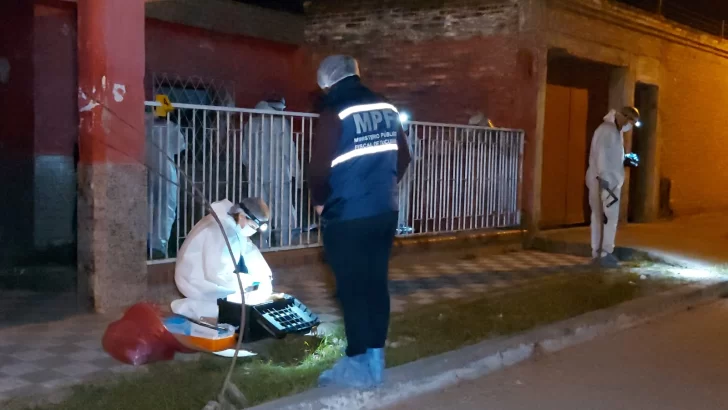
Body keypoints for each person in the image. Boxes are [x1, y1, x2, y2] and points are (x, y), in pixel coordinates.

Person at [309, 55, 412, 389]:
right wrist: (380, 187)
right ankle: (376, 360)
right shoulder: (386, 107)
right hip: (384, 211)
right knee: (375, 283)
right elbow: (404, 157)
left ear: (327, 81)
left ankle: (356, 362)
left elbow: (319, 169)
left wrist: (320, 202)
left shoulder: (334, 111)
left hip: (347, 214)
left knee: (351, 289)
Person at [170, 197, 273, 320]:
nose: (253, 231)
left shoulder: (231, 223)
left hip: (202, 275)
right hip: (193, 281)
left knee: (246, 293)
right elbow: (216, 274)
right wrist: (249, 282)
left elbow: (249, 250)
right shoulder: (223, 232)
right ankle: (189, 308)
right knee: (237, 305)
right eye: (252, 226)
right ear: (242, 216)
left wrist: (265, 275)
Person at [242, 98, 301, 248]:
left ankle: (262, 244)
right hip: (279, 173)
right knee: (283, 210)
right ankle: (284, 243)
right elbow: (289, 150)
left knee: (259, 211)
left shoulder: (250, 124)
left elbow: (245, 154)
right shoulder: (281, 123)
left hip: (256, 174)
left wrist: (250, 169)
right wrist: (296, 172)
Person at [585, 106, 640, 268]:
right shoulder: (607, 131)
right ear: (625, 117)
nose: (630, 126)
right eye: (631, 122)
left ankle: (599, 252)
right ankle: (604, 253)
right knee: (607, 218)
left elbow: (611, 157)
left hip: (607, 181)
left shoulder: (615, 131)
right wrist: (604, 179)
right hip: (605, 182)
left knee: (601, 217)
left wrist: (625, 159)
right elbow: (601, 156)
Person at [146, 112, 186, 259]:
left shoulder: (143, 124)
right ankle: (159, 245)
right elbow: (179, 147)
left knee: (148, 206)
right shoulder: (171, 127)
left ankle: (147, 241)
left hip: (146, 168)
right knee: (166, 209)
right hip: (166, 171)